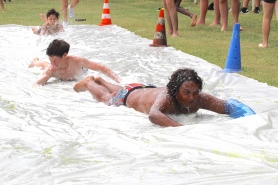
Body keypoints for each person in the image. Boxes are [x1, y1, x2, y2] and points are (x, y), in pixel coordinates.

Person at [73, 68, 256, 127]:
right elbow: (154, 115)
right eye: (187, 92)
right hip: (127, 95)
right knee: (107, 98)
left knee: (121, 89)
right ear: (175, 90)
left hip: (140, 89)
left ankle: (101, 79)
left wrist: (248, 116)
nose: (192, 98)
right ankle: (90, 82)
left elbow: (227, 105)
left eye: (195, 92)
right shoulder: (167, 98)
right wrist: (181, 128)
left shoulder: (200, 99)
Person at [29, 39, 121, 86]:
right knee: (46, 66)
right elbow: (38, 83)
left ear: (65, 55)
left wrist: (120, 81)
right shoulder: (52, 69)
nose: (53, 63)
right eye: (51, 60)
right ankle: (36, 62)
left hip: (79, 72)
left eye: (55, 60)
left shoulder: (77, 61)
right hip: (57, 74)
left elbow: (101, 68)